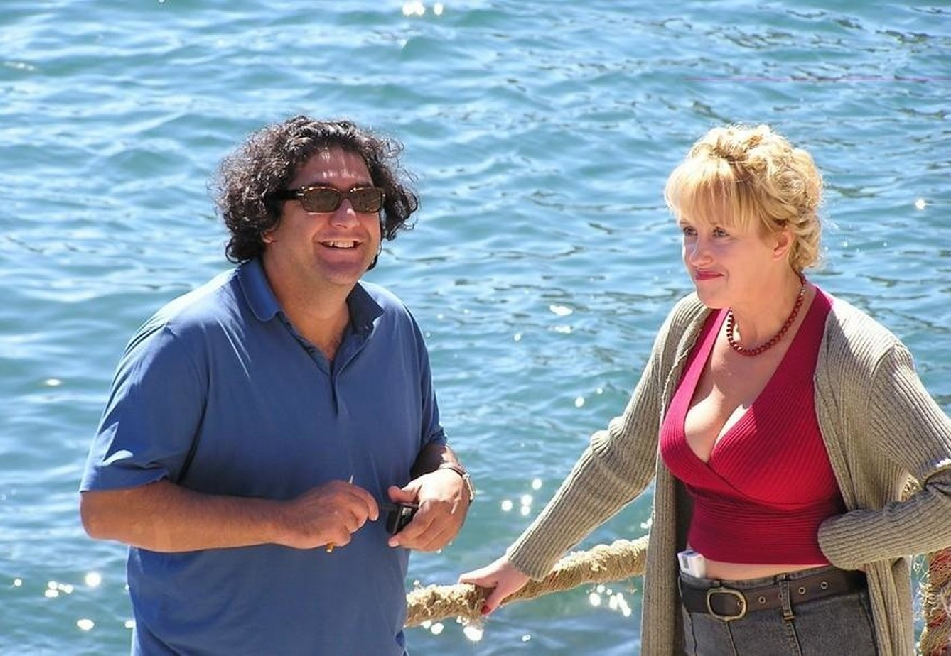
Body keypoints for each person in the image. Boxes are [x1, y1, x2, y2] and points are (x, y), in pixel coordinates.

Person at [460, 124, 951, 655]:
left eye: (721, 234)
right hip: (701, 629)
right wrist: (523, 562)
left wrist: (843, 542)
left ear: (780, 239)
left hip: (819, 631)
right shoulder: (690, 327)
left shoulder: (855, 353)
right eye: (688, 231)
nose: (697, 254)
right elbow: (623, 457)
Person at [79, 115, 474, 656]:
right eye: (320, 197)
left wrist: (450, 479)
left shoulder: (395, 326)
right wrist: (283, 521)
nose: (347, 216)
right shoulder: (186, 340)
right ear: (266, 221)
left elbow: (429, 444)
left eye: (364, 198)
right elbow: (108, 509)